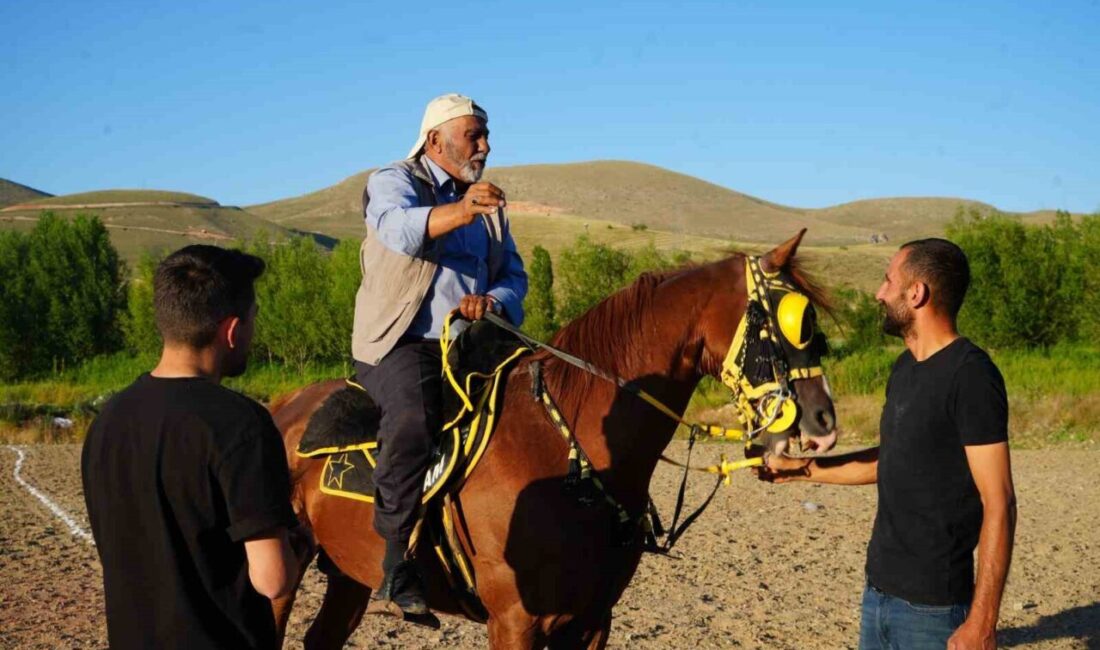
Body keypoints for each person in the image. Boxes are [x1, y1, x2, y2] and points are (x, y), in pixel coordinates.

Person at [758, 238, 1017, 650]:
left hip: (934, 610)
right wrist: (800, 470)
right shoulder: (904, 368)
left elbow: (999, 501)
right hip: (877, 594)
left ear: (917, 293)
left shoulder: (971, 376)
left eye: (888, 281)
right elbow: (890, 461)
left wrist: (983, 622)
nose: (879, 293)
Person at [351, 93, 527, 617]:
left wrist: (493, 300)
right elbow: (397, 229)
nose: (485, 146)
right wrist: (461, 210)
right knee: (414, 416)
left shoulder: (487, 205)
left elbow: (513, 274)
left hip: (473, 341)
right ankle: (396, 560)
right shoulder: (394, 180)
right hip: (402, 342)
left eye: (486, 136)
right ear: (435, 141)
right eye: (474, 136)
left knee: (545, 398)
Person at [82, 245, 300, 649]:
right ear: (231, 330)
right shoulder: (241, 424)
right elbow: (273, 580)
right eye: (252, 320)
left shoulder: (108, 419)